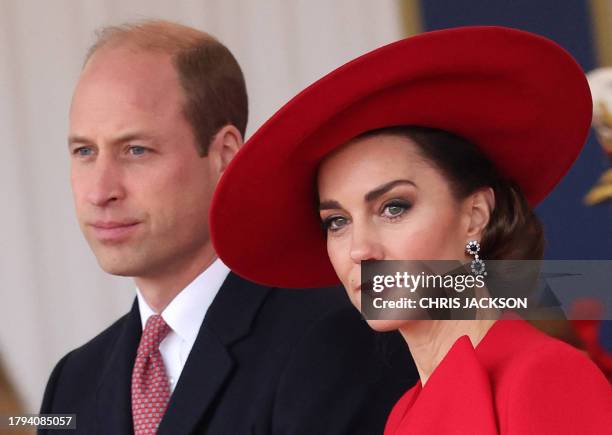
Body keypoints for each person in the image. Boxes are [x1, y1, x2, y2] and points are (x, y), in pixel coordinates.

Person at [210, 26, 612, 434]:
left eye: (393, 208)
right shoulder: (404, 411)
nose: (360, 249)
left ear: (475, 215)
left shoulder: (544, 375)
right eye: (337, 221)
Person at [39, 20, 417, 435]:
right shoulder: (70, 384)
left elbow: (494, 287)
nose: (100, 191)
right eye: (84, 151)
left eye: (136, 150)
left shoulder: (332, 332)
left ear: (225, 154)